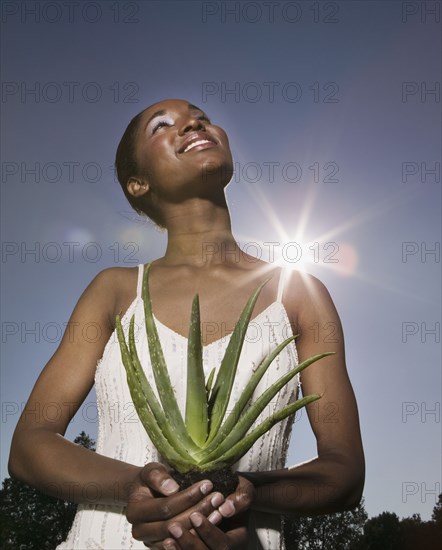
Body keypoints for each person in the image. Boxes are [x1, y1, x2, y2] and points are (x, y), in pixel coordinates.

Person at [9, 99, 365, 549]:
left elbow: (345, 470)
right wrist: (134, 486)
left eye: (200, 116)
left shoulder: (299, 295)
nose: (193, 123)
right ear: (138, 183)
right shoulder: (116, 290)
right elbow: (29, 445)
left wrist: (241, 495)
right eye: (163, 125)